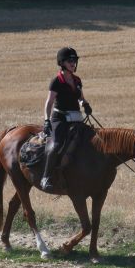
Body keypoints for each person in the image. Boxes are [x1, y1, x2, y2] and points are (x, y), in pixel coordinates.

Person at [40, 47, 93, 191]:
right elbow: (49, 103)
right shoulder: (56, 81)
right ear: (62, 63)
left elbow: (80, 98)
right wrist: (46, 120)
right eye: (70, 61)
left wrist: (85, 104)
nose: (73, 63)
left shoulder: (77, 80)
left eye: (75, 60)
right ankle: (46, 177)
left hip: (76, 117)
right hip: (60, 118)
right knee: (56, 145)